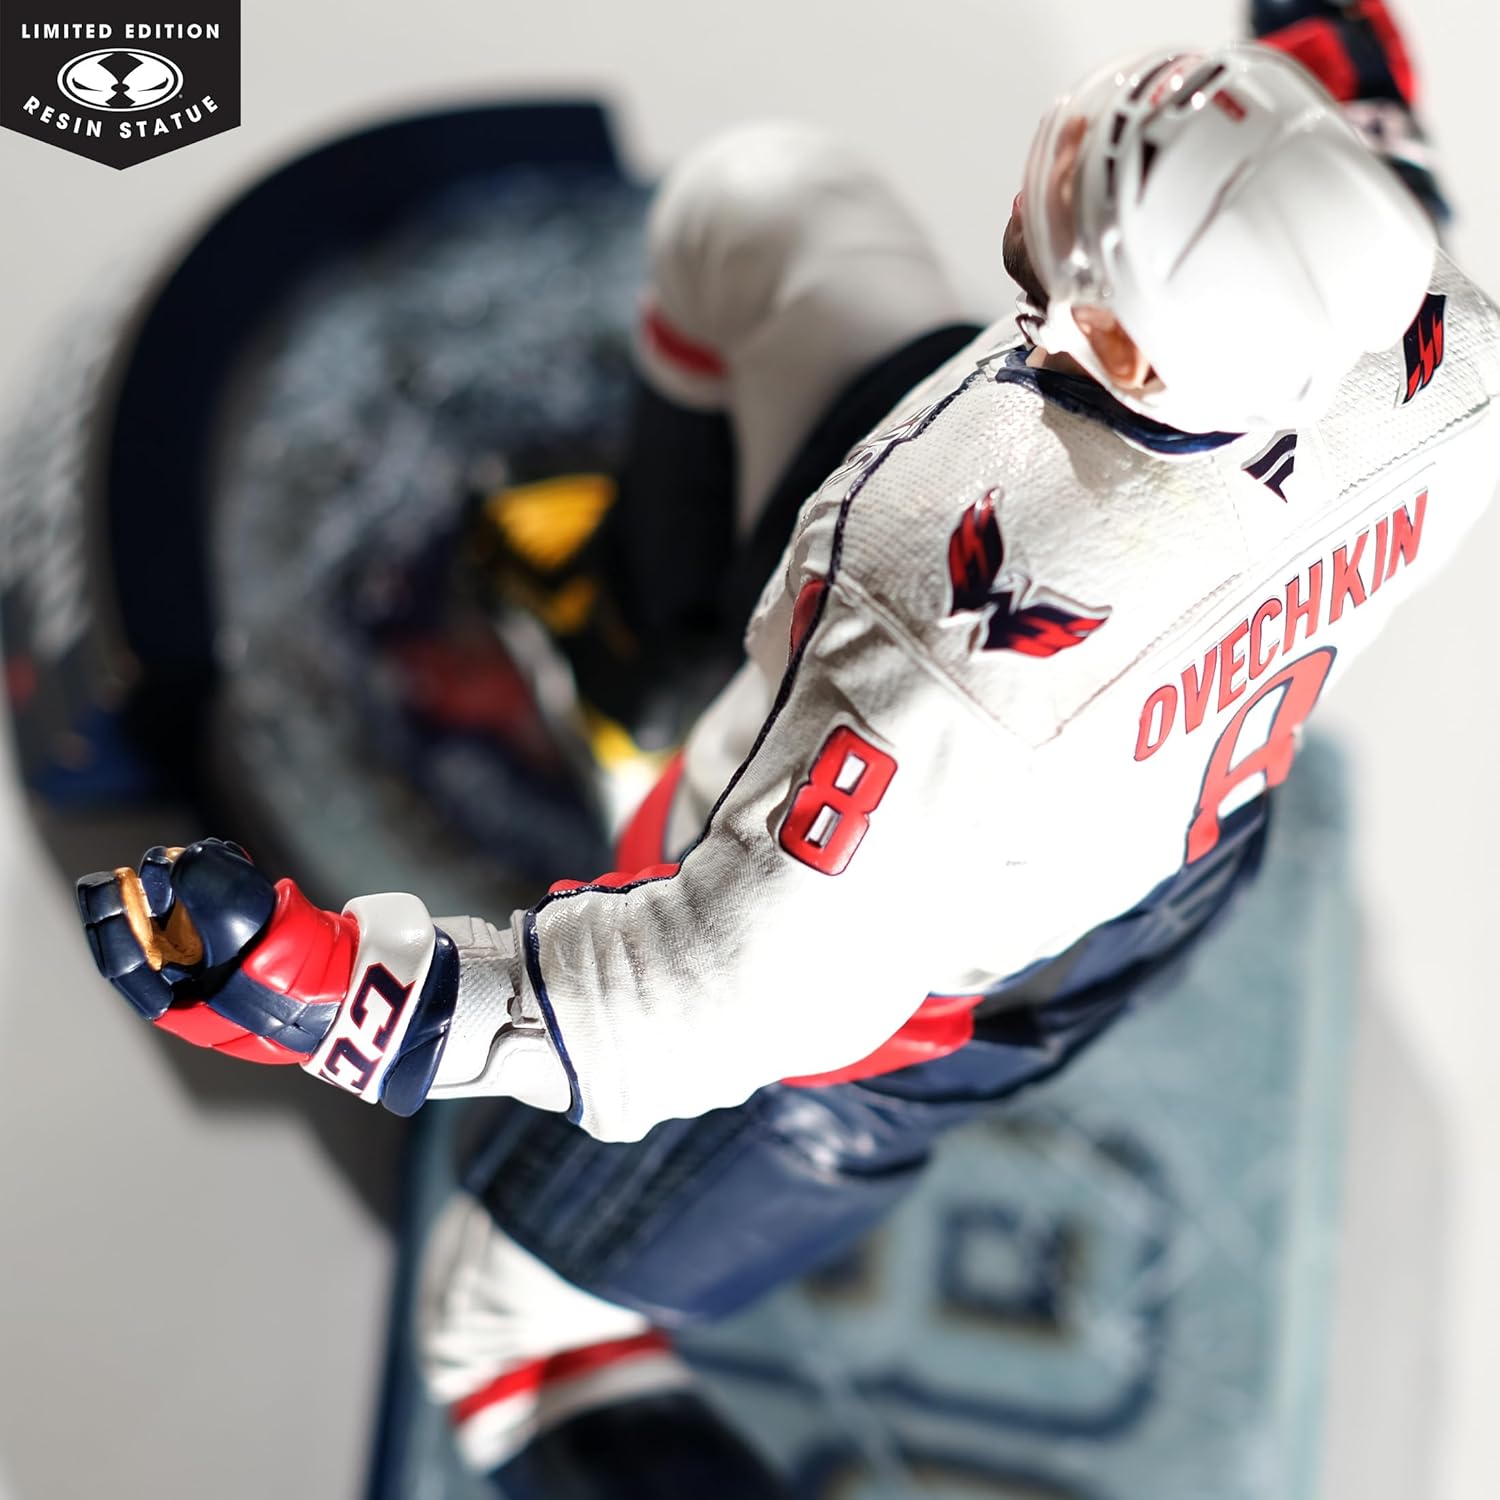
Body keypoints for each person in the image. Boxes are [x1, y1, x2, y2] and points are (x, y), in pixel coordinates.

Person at [76, 6, 1497, 1496]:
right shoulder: (1443, 344)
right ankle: (640, 655)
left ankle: (652, 727)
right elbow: (1352, 185)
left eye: (1082, 216)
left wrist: (346, 1002)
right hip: (1144, 778)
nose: (1051, 173)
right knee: (760, 213)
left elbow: (707, 994)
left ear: (1136, 346)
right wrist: (1312, 104)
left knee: (496, 1338)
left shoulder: (937, 640)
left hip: (923, 967)